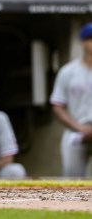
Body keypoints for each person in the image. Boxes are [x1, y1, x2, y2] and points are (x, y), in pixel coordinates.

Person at [50, 23, 92, 177]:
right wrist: (79, 127)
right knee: (72, 183)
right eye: (90, 39)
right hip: (76, 131)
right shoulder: (68, 71)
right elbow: (57, 105)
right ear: (83, 42)